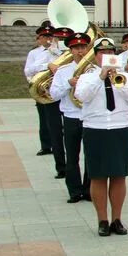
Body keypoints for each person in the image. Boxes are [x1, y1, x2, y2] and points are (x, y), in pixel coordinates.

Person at [75, 37, 128, 236]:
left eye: (111, 53)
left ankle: (117, 219)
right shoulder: (87, 76)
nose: (107, 57)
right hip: (95, 129)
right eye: (102, 53)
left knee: (119, 175)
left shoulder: (125, 77)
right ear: (95, 56)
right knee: (97, 176)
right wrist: (100, 77)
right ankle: (102, 220)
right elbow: (82, 96)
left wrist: (118, 82)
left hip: (121, 128)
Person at [49, 32, 92, 203]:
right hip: (71, 116)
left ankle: (89, 190)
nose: (80, 51)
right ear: (70, 50)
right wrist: (69, 83)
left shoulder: (94, 70)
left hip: (89, 117)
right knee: (72, 156)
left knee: (90, 155)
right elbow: (54, 94)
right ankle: (74, 191)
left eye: (83, 47)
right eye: (76, 48)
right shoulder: (63, 71)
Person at [24, 24, 63, 165]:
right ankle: (46, 146)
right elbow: (28, 71)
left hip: (58, 89)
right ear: (38, 39)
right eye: (45, 37)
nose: (48, 39)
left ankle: (59, 144)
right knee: (44, 118)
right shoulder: (34, 53)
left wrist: (56, 52)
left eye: (50, 36)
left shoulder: (60, 51)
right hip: (42, 90)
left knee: (58, 121)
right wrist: (45, 65)